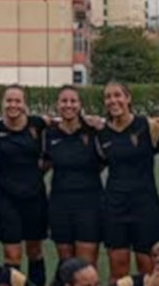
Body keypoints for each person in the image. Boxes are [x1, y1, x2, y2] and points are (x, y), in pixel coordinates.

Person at [97, 81, 159, 281]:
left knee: (148, 269)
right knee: (118, 270)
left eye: (117, 95)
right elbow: (95, 165)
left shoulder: (149, 126)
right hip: (115, 206)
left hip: (145, 205)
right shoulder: (101, 134)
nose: (113, 100)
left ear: (128, 98)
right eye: (108, 97)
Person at [0, 85, 48, 286]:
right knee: (12, 254)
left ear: (24, 104)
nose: (13, 105)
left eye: (17, 101)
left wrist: (37, 175)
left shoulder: (37, 125)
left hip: (35, 197)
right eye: (9, 100)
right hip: (6, 198)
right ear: (2, 103)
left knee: (35, 250)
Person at [43, 85, 104, 264]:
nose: (68, 105)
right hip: (60, 204)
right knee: (67, 265)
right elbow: (45, 164)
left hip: (89, 204)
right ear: (57, 105)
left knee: (86, 265)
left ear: (80, 104)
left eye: (73, 101)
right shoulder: (50, 134)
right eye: (64, 101)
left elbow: (104, 161)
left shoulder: (93, 131)